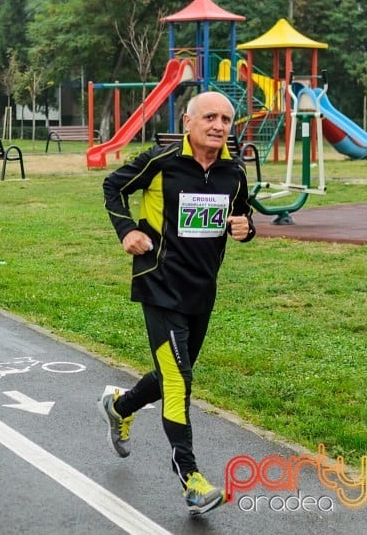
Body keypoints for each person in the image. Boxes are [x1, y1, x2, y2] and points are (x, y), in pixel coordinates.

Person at [99, 91, 256, 516]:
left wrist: (246, 228)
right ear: (188, 121)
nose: (218, 125)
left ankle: (119, 406)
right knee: (179, 378)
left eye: (226, 118)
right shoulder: (160, 161)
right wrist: (127, 231)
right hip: (159, 284)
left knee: (173, 372)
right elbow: (112, 186)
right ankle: (191, 478)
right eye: (209, 116)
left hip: (201, 291)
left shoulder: (233, 173)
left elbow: (242, 217)